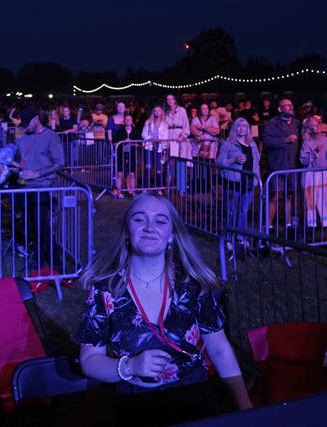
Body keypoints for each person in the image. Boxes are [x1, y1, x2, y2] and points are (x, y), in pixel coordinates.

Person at [74, 192, 252, 426]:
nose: (149, 227)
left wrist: (246, 408)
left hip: (194, 398)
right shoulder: (104, 292)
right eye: (139, 219)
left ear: (171, 236)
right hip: (135, 404)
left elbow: (219, 350)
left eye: (160, 220)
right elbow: (90, 360)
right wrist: (129, 366)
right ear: (127, 231)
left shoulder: (193, 287)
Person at [15, 105, 65, 258]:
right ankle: (39, 259)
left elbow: (59, 163)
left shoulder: (51, 136)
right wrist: (15, 165)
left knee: (40, 224)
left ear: (35, 119)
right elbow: (22, 160)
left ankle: (54, 261)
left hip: (41, 187)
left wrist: (37, 173)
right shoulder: (24, 137)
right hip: (23, 186)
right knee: (31, 225)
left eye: (27, 123)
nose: (25, 127)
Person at [216, 118, 261, 248]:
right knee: (231, 210)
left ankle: (241, 237)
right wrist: (234, 159)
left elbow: (256, 163)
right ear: (235, 128)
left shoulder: (252, 144)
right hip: (233, 181)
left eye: (245, 127)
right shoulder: (228, 144)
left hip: (248, 182)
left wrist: (257, 179)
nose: (242, 129)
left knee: (243, 211)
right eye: (239, 127)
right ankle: (228, 238)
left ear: (248, 129)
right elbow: (219, 162)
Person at [262, 98, 301, 232]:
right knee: (274, 196)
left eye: (291, 105)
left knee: (289, 196)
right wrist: (285, 140)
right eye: (287, 105)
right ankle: (269, 225)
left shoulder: (297, 123)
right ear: (280, 109)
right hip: (277, 166)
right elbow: (266, 141)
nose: (290, 107)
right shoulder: (273, 123)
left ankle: (289, 224)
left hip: (292, 166)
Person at [299, 117, 327, 228]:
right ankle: (311, 226)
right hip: (311, 174)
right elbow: (303, 160)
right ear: (309, 130)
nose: (318, 126)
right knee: (310, 200)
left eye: (318, 124)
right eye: (315, 125)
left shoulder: (325, 140)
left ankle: (325, 224)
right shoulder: (307, 142)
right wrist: (315, 152)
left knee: (324, 199)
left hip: (324, 172)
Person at [165, 94, 191, 195]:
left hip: (180, 139)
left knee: (181, 163)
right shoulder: (166, 112)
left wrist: (183, 136)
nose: (169, 101)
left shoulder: (182, 110)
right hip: (170, 139)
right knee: (170, 164)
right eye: (168, 99)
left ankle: (181, 188)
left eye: (171, 99)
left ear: (175, 100)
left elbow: (186, 126)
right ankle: (167, 187)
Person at [112, 113, 141, 198]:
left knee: (132, 173)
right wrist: (123, 141)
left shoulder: (135, 131)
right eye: (126, 120)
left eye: (129, 119)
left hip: (131, 154)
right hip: (121, 154)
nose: (128, 121)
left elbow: (140, 144)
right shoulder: (120, 131)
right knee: (119, 173)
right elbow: (114, 143)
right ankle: (118, 191)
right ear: (124, 121)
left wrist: (131, 143)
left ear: (132, 121)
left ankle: (132, 192)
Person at [141, 105, 169, 191]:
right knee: (148, 167)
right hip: (149, 147)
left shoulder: (165, 123)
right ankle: (145, 188)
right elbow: (143, 134)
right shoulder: (148, 122)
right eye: (155, 111)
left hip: (160, 147)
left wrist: (161, 142)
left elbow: (166, 136)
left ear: (161, 112)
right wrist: (151, 139)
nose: (157, 112)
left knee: (158, 169)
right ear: (153, 112)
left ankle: (159, 188)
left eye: (159, 111)